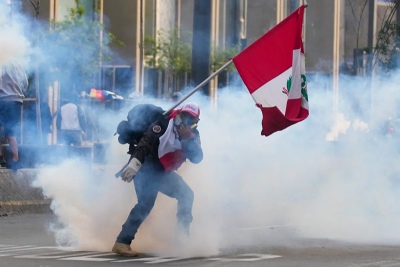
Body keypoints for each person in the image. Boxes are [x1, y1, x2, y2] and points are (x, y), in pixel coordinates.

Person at [112, 102, 203, 257]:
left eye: (189, 120)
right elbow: (146, 142)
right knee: (145, 204)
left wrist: (187, 141)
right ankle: (122, 242)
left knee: (187, 195)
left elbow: (197, 157)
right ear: (178, 114)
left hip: (162, 171)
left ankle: (182, 239)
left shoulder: (193, 136)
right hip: (146, 166)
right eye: (182, 117)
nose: (183, 123)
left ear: (194, 123)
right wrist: (135, 162)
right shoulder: (163, 122)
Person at [0, 61, 28, 170]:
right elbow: (25, 83)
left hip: (2, 99)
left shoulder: (2, 62)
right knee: (11, 132)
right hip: (17, 100)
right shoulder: (19, 64)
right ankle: (15, 160)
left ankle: (1, 157)